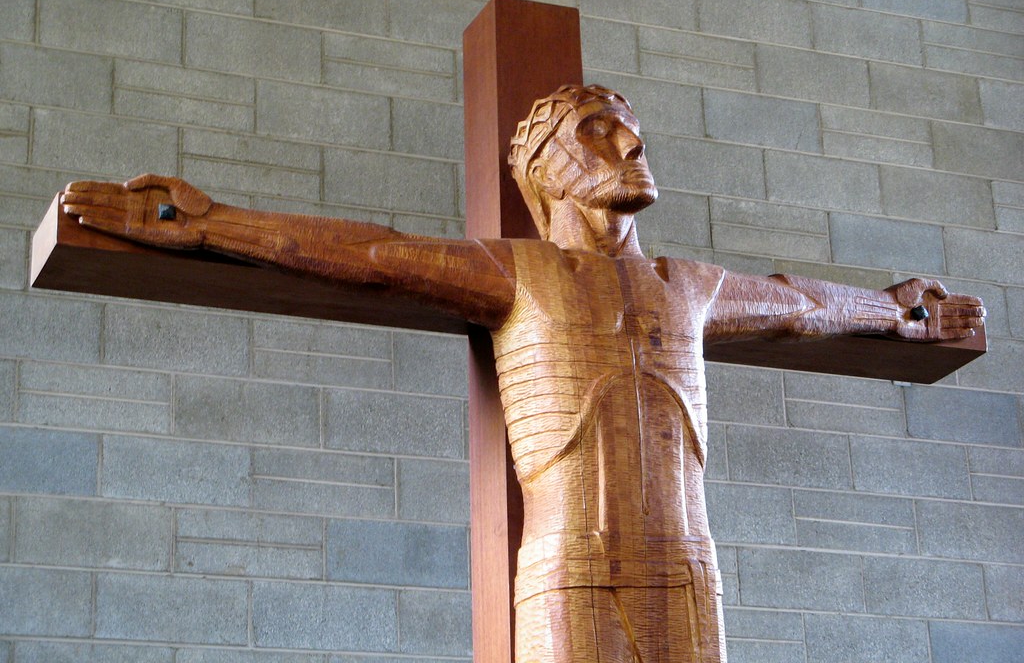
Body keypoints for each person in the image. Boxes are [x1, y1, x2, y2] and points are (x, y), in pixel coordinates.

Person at [62, 85, 984, 663]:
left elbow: (801, 304)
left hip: (688, 569)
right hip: (575, 570)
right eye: (599, 133)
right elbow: (371, 252)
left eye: (634, 133)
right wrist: (211, 224)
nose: (632, 147)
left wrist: (899, 312)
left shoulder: (688, 285)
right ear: (545, 171)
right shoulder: (519, 274)